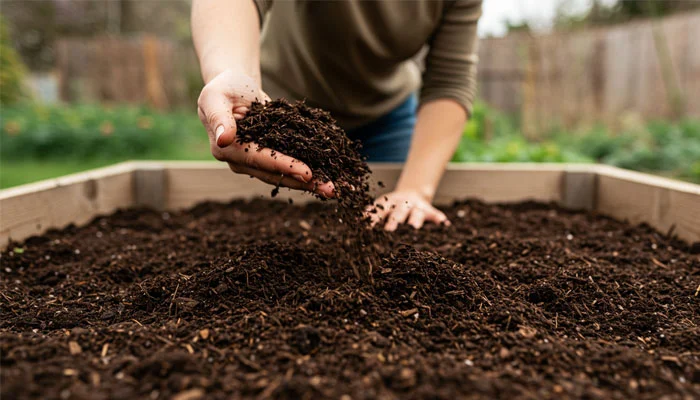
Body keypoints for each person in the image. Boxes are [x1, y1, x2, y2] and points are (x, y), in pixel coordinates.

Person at [192, 0, 481, 231]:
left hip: (387, 117)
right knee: (276, 225)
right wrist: (231, 73)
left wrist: (416, 189)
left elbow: (449, 80)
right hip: (283, 114)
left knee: (385, 222)